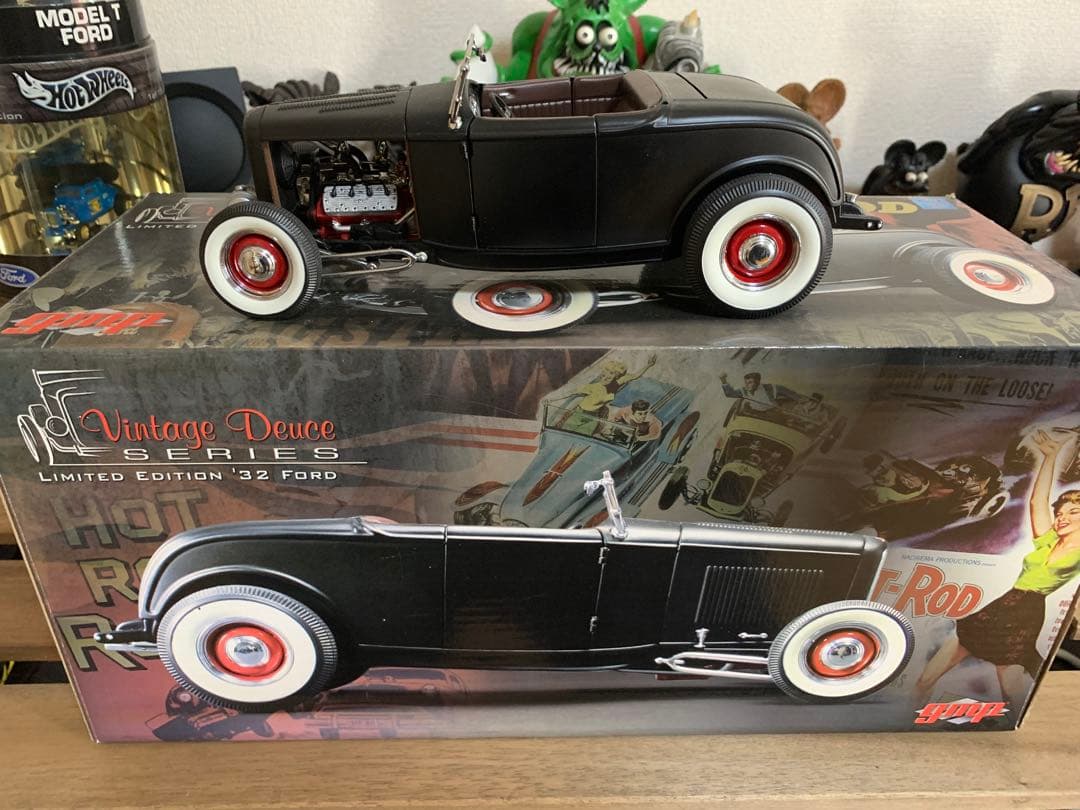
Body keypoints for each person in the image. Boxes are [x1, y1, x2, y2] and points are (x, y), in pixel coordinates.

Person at [914, 429, 1080, 704]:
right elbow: (1037, 500)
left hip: (1024, 618)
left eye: (1073, 512)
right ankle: (903, 719)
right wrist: (1050, 457)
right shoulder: (1048, 540)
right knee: (925, 680)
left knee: (1013, 693)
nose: (1062, 517)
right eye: (1060, 512)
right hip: (997, 608)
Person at [556, 355, 656, 434]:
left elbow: (634, 376)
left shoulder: (616, 384)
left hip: (593, 417)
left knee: (584, 439)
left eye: (610, 376)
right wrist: (553, 400)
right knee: (565, 434)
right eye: (603, 375)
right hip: (579, 414)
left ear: (616, 377)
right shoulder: (592, 387)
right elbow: (571, 393)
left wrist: (649, 365)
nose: (605, 378)